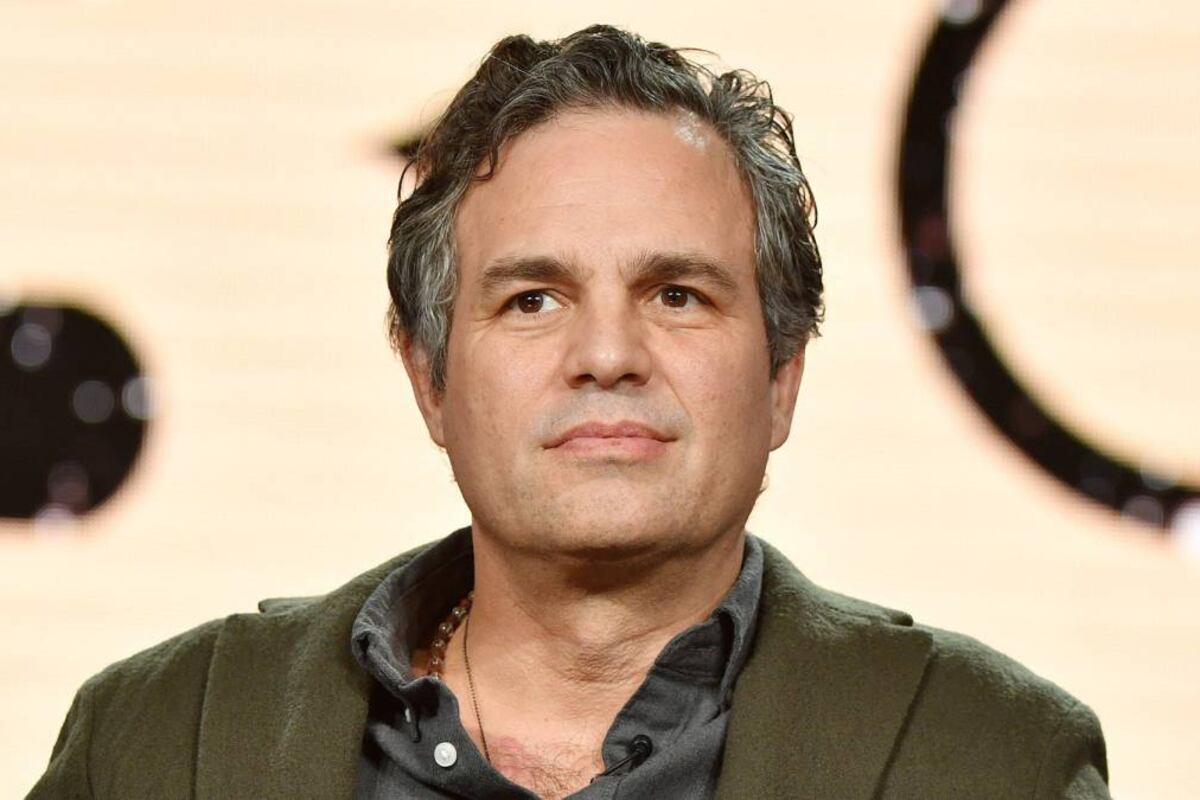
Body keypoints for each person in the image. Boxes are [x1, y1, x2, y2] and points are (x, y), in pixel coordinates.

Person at [29, 25, 1109, 800]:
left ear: (782, 374)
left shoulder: (994, 759)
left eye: (676, 295)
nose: (606, 357)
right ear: (429, 378)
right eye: (533, 300)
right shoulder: (152, 742)